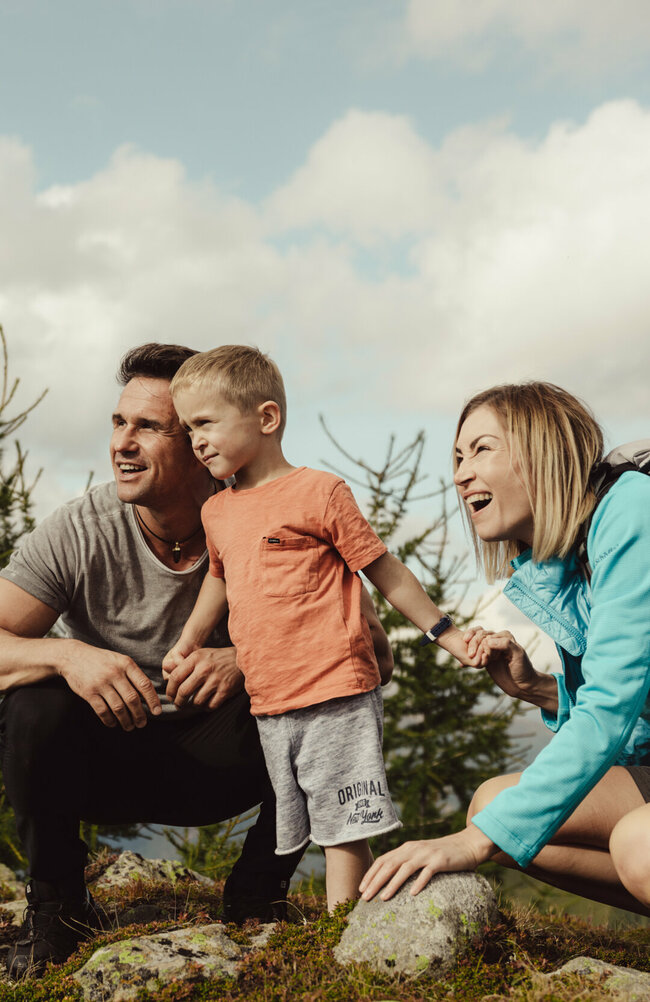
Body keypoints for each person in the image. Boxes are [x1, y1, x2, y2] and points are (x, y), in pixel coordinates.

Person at [0, 342, 392, 978]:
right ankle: (59, 915)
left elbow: (375, 655)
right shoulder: (79, 530)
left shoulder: (279, 514)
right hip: (104, 760)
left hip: (223, 762)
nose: (122, 444)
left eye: (148, 427)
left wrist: (247, 660)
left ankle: (257, 896)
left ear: (198, 442)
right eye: (118, 423)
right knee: (32, 703)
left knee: (328, 697)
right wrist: (68, 656)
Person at [164, 345, 475, 911]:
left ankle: (341, 928)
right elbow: (219, 578)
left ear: (266, 418)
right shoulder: (217, 511)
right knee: (306, 815)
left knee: (343, 825)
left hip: (336, 687)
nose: (196, 441)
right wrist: (187, 641)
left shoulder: (320, 492)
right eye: (188, 430)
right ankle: (338, 918)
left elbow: (385, 570)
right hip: (271, 696)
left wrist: (447, 635)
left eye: (205, 423)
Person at [359, 381, 650, 915]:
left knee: (637, 844)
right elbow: (634, 715)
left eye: (482, 449)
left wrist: (474, 844)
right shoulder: (564, 563)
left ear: (544, 452)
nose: (460, 473)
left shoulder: (634, 508)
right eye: (458, 457)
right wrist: (539, 689)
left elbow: (611, 707)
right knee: (495, 807)